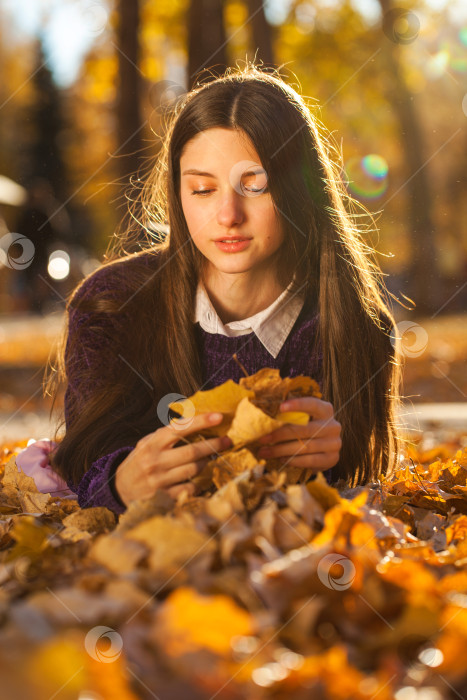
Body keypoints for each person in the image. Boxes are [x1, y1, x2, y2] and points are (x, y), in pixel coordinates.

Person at [37, 64, 401, 515]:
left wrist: (332, 462)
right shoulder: (110, 304)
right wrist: (119, 483)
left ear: (298, 188)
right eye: (203, 189)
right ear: (178, 194)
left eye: (255, 186)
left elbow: (360, 485)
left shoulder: (354, 325)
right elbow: (85, 462)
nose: (228, 215)